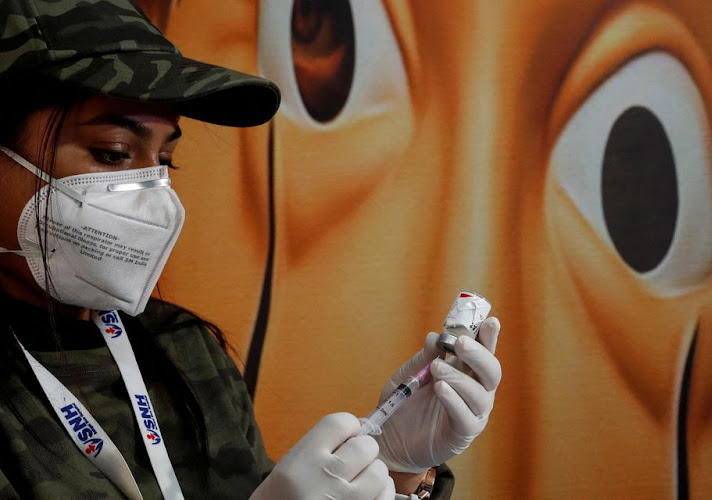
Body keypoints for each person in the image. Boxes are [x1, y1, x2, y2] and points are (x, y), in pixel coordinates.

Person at [0, 1, 503, 498]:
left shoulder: (182, 349)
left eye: (166, 162)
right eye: (112, 153)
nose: (154, 199)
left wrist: (394, 469)